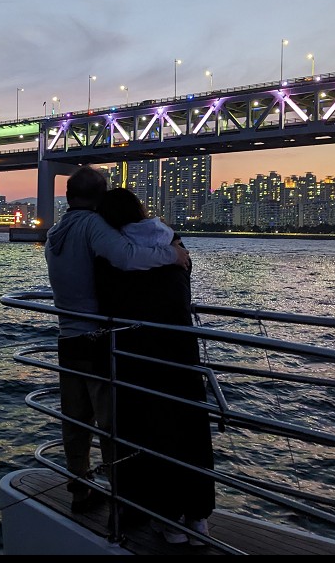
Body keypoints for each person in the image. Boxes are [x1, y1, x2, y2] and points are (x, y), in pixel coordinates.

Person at [44, 166, 190, 515]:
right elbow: (125, 257)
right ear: (100, 196)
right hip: (95, 339)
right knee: (111, 425)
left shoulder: (55, 232)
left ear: (68, 196)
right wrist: (174, 254)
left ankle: (79, 491)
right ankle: (121, 500)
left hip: (68, 338)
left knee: (76, 423)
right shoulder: (92, 225)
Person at [94, 187, 215, 546]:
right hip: (182, 352)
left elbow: (108, 300)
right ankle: (197, 517)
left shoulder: (113, 255)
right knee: (191, 429)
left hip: (138, 355)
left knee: (152, 431)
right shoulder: (175, 244)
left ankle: (168, 519)